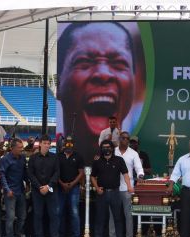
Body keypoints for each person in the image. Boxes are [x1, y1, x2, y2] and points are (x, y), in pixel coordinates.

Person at [58, 22, 138, 163]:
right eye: (84, 61)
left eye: (118, 63)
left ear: (133, 85)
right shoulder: (58, 157)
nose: (103, 74)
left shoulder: (131, 157)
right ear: (59, 84)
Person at [91, 139, 133, 237]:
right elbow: (92, 176)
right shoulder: (97, 161)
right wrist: (96, 188)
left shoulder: (119, 160)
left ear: (112, 148)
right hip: (102, 193)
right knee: (100, 217)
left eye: (108, 147)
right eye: (104, 147)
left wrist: (129, 186)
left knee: (117, 217)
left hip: (115, 192)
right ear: (101, 149)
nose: (106, 149)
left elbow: (125, 174)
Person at [108, 131, 143, 237]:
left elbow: (139, 168)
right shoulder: (113, 151)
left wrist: (140, 175)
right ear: (119, 139)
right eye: (123, 138)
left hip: (128, 188)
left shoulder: (133, 153)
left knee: (128, 214)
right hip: (113, 187)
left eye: (127, 138)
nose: (126, 140)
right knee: (113, 214)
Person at [28, 135, 60, 237]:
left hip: (51, 191)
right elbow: (30, 174)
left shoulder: (55, 157)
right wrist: (39, 187)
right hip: (37, 192)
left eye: (48, 143)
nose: (47, 145)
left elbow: (57, 173)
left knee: (53, 216)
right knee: (38, 215)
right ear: (40, 144)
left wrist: (48, 186)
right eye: (45, 143)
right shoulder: (33, 158)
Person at [0, 138, 29, 237]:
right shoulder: (5, 159)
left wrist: (28, 183)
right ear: (12, 148)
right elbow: (2, 175)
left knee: (22, 216)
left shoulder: (22, 158)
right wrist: (7, 190)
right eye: (19, 148)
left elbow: (24, 172)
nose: (21, 149)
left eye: (22, 147)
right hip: (10, 192)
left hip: (20, 191)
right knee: (11, 217)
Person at [57, 136, 84, 237]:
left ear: (73, 144)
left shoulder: (78, 156)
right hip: (60, 187)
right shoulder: (58, 156)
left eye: (70, 144)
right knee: (59, 212)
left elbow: (81, 172)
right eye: (66, 143)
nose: (68, 145)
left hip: (74, 188)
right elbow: (55, 172)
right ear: (63, 144)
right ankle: (59, 236)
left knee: (74, 212)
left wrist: (72, 184)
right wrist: (62, 184)